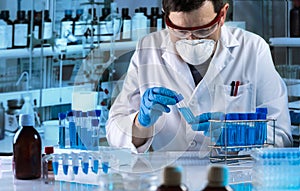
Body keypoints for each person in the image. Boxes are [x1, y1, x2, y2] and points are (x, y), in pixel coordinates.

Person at [106, 0, 293, 153]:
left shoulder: (252, 49)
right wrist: (141, 123)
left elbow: (281, 136)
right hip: (167, 181)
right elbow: (114, 131)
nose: (191, 41)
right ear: (166, 18)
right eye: (180, 31)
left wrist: (235, 134)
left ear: (223, 14)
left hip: (233, 181)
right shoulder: (147, 49)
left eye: (203, 31)